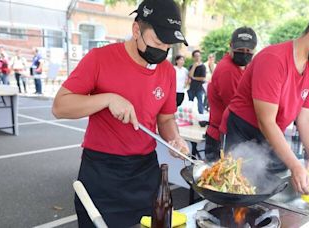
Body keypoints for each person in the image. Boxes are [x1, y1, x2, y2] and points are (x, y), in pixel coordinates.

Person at [53, 0, 189, 227]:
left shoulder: (167, 71)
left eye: (169, 45)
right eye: (157, 41)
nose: (163, 50)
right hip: (101, 172)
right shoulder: (99, 59)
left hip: (145, 171)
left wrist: (174, 138)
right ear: (136, 30)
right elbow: (60, 107)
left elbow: (166, 118)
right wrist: (107, 99)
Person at [220, 11, 309, 194]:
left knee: (271, 188)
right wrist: (295, 165)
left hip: (273, 134)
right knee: (237, 188)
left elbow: (305, 118)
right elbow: (265, 121)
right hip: (244, 132)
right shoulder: (273, 60)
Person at [205, 26, 257, 161]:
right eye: (240, 50)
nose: (244, 53)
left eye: (248, 50)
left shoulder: (241, 68)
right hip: (222, 137)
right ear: (231, 46)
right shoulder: (228, 70)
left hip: (227, 134)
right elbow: (239, 110)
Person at [187, 50, 206, 114]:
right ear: (193, 57)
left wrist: (194, 78)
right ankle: (189, 116)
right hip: (192, 88)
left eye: (199, 56)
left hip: (200, 88)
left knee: (200, 104)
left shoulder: (203, 66)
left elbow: (202, 78)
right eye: (196, 56)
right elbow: (190, 75)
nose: (197, 57)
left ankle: (201, 117)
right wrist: (194, 66)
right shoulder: (191, 66)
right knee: (190, 103)